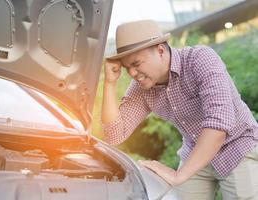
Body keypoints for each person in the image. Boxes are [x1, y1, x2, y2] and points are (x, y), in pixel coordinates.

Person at [101, 19, 258, 199]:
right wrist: (109, 83)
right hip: (195, 152)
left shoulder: (200, 59)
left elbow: (219, 123)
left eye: (136, 64)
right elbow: (114, 135)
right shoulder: (142, 87)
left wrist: (178, 176)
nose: (132, 74)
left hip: (237, 147)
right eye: (127, 68)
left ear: (160, 50)